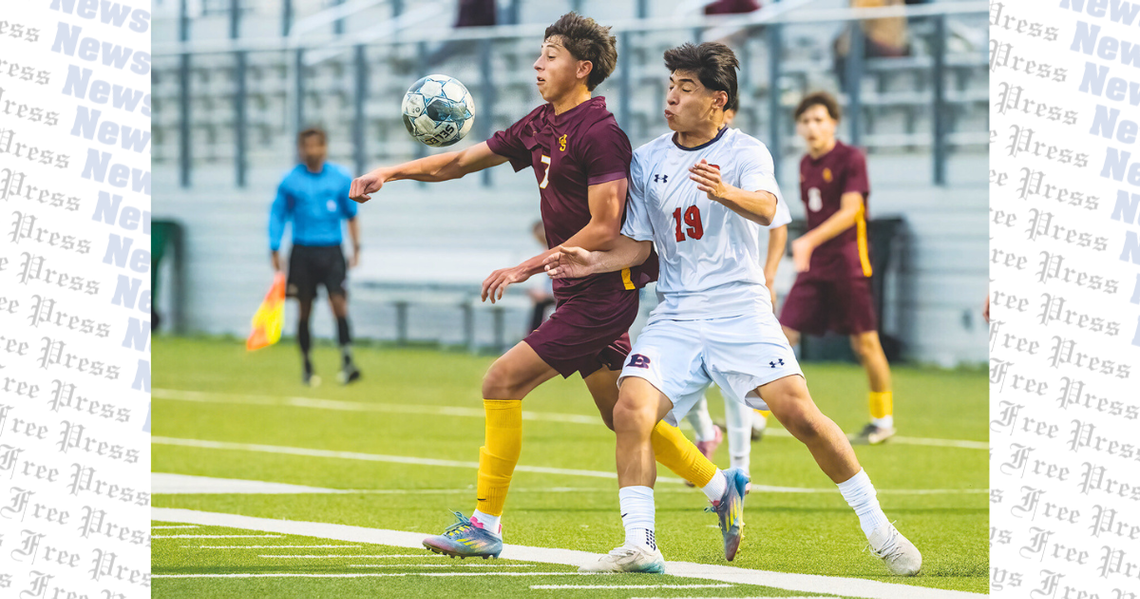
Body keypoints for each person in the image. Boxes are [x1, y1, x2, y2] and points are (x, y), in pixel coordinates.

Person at [349, 13, 738, 562]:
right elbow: (461, 161)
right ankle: (722, 489)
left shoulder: (601, 135)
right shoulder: (539, 123)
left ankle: (485, 524)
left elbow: (605, 228)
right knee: (620, 414)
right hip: (575, 290)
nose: (538, 62)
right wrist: (391, 172)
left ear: (582, 69)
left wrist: (526, 266)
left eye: (551, 54)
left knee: (501, 381)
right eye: (540, 51)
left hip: (603, 290)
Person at [545, 42, 921, 576]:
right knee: (629, 410)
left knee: (801, 417)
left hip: (740, 309)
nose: (671, 96)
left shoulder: (746, 153)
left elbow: (768, 208)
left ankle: (879, 530)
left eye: (686, 88)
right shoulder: (648, 158)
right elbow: (639, 246)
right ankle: (640, 544)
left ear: (718, 100)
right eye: (670, 84)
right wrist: (591, 263)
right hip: (676, 314)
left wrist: (723, 192)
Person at [682, 101, 789, 486]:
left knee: (736, 388)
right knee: (676, 381)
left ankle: (740, 468)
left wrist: (769, 276)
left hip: (731, 295)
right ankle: (706, 433)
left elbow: (776, 220)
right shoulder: (669, 158)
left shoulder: (745, 158)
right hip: (680, 290)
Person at [781, 91, 896, 445]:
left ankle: (883, 420)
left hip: (848, 262)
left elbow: (851, 212)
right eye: (805, 121)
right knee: (781, 335)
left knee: (865, 343)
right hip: (814, 265)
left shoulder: (851, 158)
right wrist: (809, 246)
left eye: (819, 119)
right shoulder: (804, 165)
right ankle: (756, 418)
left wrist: (808, 240)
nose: (812, 127)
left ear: (833, 123)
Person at [269, 127, 362, 387]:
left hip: (332, 251)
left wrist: (357, 248)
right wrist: (274, 248)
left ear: (325, 147)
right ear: (300, 149)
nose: (312, 151)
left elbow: (352, 215)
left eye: (317, 146)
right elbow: (278, 215)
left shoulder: (340, 178)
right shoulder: (290, 182)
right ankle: (307, 366)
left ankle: (347, 361)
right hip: (302, 251)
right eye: (307, 146)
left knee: (339, 304)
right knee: (304, 309)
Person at [526, 220, 556, 334]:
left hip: (559, 296)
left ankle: (531, 338)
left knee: (540, 305)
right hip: (552, 296)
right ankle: (532, 337)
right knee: (539, 304)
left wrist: (546, 294)